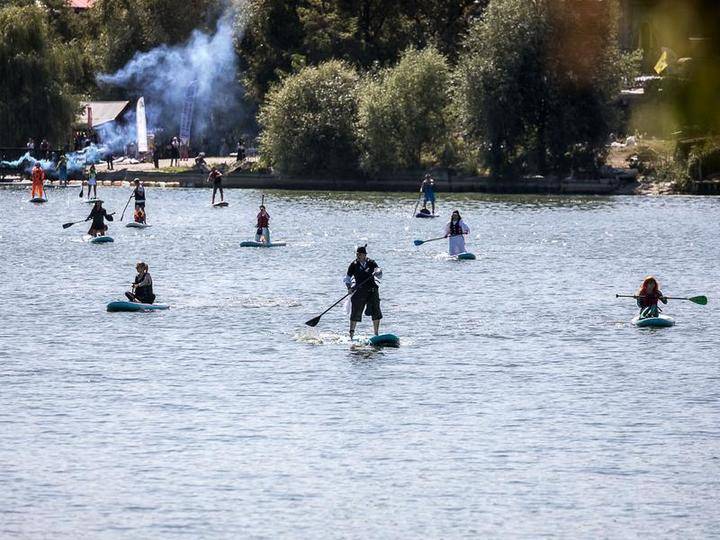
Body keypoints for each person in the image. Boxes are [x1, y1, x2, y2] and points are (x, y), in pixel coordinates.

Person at [343, 245, 383, 339]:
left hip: (372, 290)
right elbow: (347, 278)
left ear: (364, 255)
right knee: (355, 313)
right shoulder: (353, 264)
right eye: (357, 254)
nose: (358, 256)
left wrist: (377, 271)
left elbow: (379, 273)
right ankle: (351, 335)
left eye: (360, 254)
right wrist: (349, 288)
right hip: (359, 290)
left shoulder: (371, 263)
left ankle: (376, 334)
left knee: (376, 311)